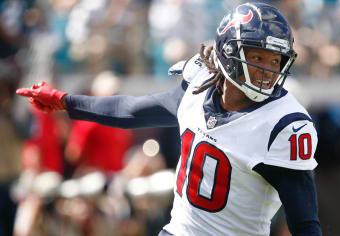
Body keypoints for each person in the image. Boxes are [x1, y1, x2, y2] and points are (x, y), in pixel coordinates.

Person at [16, 2, 322, 236]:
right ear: (229, 52)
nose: (267, 70)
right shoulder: (199, 85)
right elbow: (132, 111)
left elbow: (304, 222)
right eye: (257, 58)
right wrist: (65, 102)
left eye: (274, 60)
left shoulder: (285, 124)